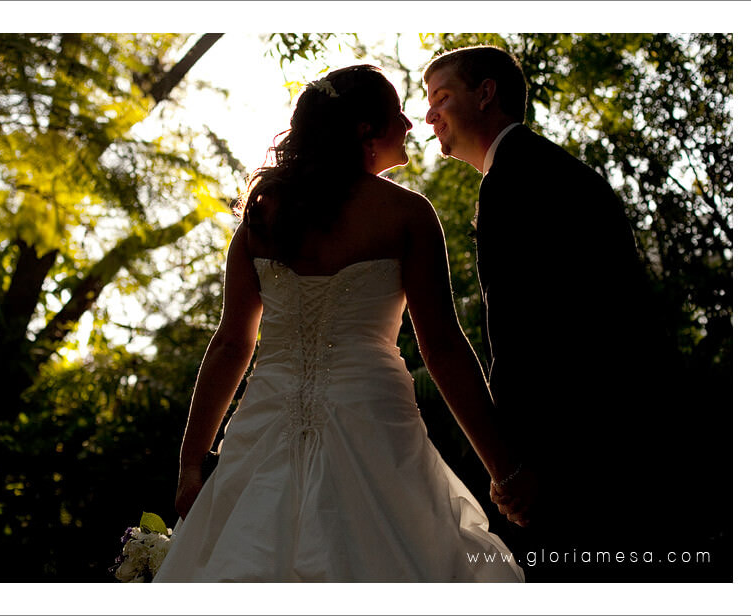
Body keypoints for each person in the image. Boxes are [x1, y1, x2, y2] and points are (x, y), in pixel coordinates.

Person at [152, 65, 526, 582]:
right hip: (373, 420)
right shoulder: (408, 215)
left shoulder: (260, 219)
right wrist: (504, 468)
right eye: (397, 113)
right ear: (363, 130)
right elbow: (440, 348)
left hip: (265, 424)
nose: (411, 123)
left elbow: (232, 344)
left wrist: (191, 464)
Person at [423, 46, 681, 581]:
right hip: (629, 442)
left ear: (486, 93)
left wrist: (514, 466)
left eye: (441, 97)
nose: (429, 116)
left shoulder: (513, 184)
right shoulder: (561, 172)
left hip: (570, 460)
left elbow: (523, 339)